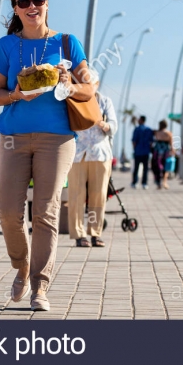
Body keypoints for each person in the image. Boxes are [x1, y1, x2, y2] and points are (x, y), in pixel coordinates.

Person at [0, 0, 95, 312]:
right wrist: (18, 94)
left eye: (37, 0)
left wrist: (70, 82)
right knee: (7, 211)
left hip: (58, 137)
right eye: (24, 2)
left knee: (46, 212)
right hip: (13, 138)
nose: (32, 6)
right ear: (16, 9)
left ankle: (40, 287)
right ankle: (21, 265)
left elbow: (89, 89)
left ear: (47, 3)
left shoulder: (66, 43)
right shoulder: (6, 47)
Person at [68, 69, 117, 247]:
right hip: (77, 154)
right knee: (76, 195)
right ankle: (79, 234)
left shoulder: (105, 102)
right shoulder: (72, 101)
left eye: (91, 84)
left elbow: (114, 126)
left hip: (100, 153)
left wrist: (104, 125)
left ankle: (95, 233)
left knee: (98, 196)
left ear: (96, 85)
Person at [131, 116, 153, 189]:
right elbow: (151, 142)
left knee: (136, 168)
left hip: (138, 152)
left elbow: (134, 141)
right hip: (146, 152)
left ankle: (135, 182)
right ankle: (144, 183)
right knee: (145, 169)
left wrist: (134, 149)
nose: (138, 121)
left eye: (139, 120)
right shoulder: (149, 129)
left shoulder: (137, 129)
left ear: (142, 120)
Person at [151, 120, 174, 189]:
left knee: (157, 167)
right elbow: (171, 144)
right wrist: (173, 152)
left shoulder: (156, 132)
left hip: (157, 152)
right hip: (165, 152)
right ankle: (164, 182)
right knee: (165, 168)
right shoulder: (169, 133)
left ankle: (158, 183)